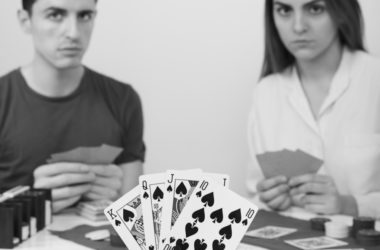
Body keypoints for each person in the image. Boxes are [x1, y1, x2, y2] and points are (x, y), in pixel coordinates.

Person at [0, 0, 145, 212]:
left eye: (84, 16)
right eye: (55, 15)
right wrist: (32, 202)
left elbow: (136, 211)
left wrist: (119, 199)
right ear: (25, 20)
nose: (74, 33)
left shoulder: (123, 99)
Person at [247, 0, 380, 218]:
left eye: (315, 8)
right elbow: (255, 194)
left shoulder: (375, 80)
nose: (298, 27)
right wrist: (269, 199)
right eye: (284, 10)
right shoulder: (266, 93)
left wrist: (350, 205)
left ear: (341, 10)